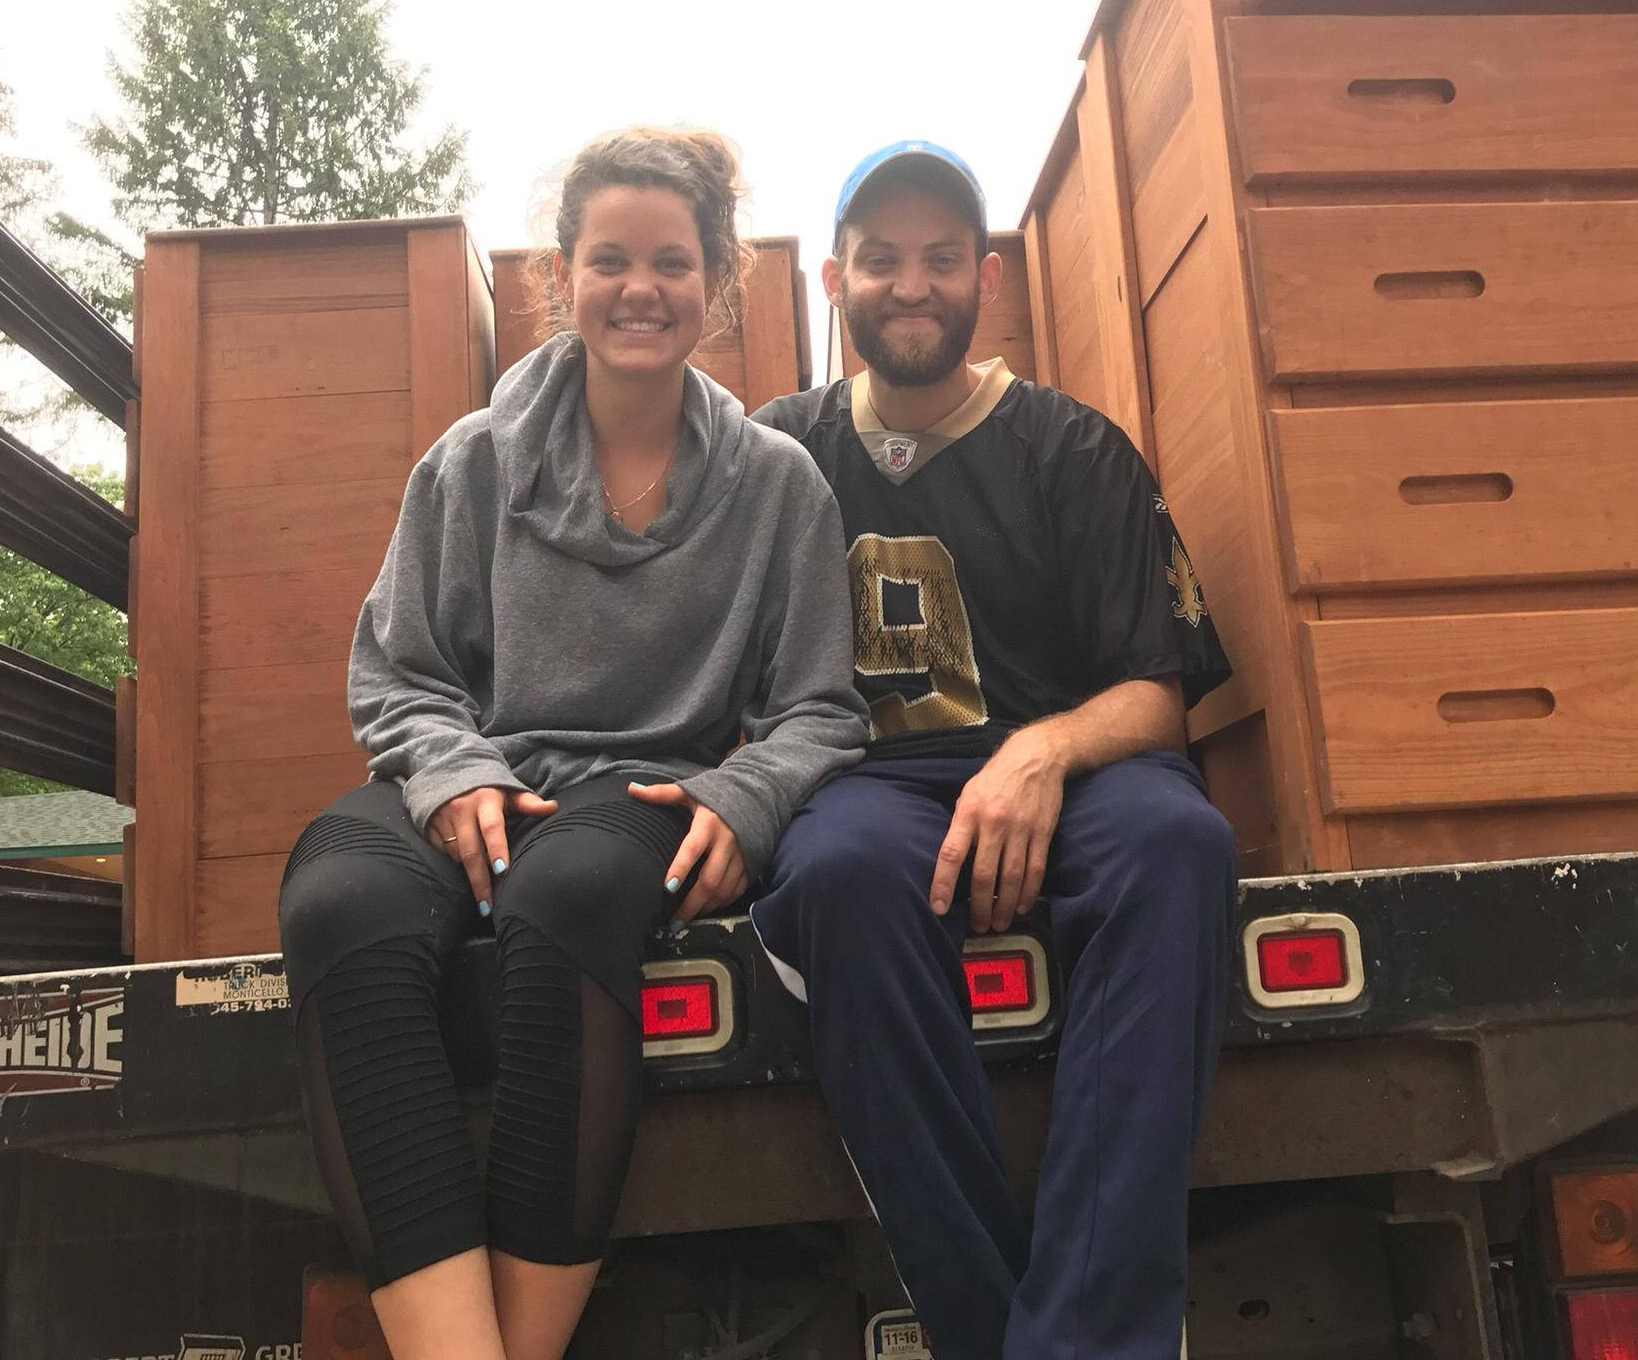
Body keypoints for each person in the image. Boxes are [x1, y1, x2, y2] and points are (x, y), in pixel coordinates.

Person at [277, 128, 868, 1360]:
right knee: (336, 897)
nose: (638, 288)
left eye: (668, 261)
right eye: (609, 259)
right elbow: (397, 674)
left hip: (643, 787)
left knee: (568, 894)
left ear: (714, 283)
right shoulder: (470, 464)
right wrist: (453, 783)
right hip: (475, 774)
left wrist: (749, 796)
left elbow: (819, 706)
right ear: (562, 276)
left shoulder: (779, 485)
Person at [751, 141, 1238, 1360]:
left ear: (985, 275)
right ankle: (992, 1335)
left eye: (937, 258)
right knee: (840, 878)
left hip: (1075, 773)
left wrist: (1037, 755)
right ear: (831, 280)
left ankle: (1090, 1339)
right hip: (870, 784)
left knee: (1178, 840)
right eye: (879, 261)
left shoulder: (1074, 450)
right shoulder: (776, 455)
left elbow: (1156, 696)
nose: (908, 285)